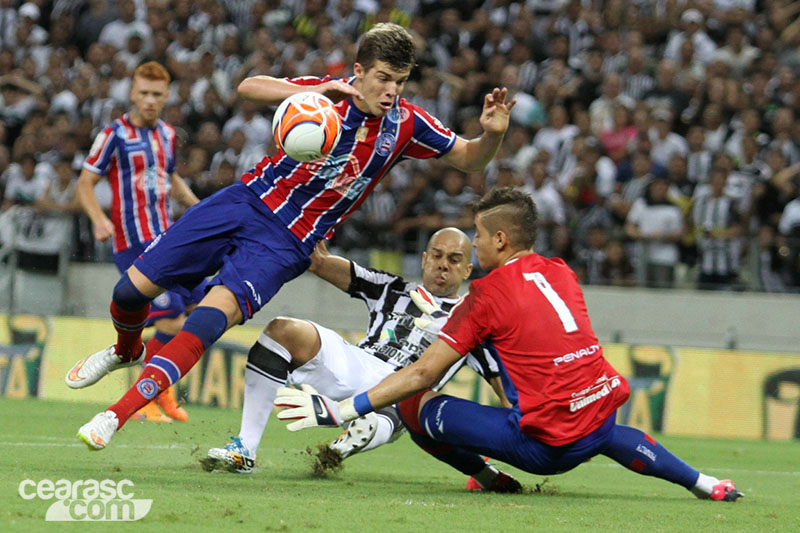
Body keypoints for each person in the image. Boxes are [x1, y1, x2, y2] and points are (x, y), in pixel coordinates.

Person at [67, 23, 516, 450]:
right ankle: (127, 350)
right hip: (244, 200)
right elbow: (249, 87)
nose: (391, 90)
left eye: (399, 81)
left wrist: (492, 136)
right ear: (358, 72)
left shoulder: (405, 124)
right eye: (382, 78)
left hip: (287, 242)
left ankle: (115, 415)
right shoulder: (325, 97)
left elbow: (470, 158)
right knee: (129, 293)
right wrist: (312, 90)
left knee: (206, 320)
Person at [274, 187, 744, 502]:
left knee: (416, 402)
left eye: (476, 237)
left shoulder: (485, 295)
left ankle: (487, 476)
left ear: (500, 238)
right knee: (599, 432)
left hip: (547, 449)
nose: (474, 247)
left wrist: (339, 411)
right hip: (602, 415)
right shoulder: (561, 271)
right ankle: (706, 484)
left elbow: (421, 374)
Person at [205, 229, 511, 487]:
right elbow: (319, 262)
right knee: (281, 330)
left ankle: (364, 428)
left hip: (403, 387)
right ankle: (245, 447)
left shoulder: (472, 319)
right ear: (424, 259)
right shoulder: (392, 288)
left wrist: (515, 434)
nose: (443, 265)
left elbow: (504, 390)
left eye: (454, 259)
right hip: (357, 362)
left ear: (468, 270)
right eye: (437, 255)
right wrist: (311, 223)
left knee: (401, 406)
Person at [72, 61, 202, 423]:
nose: (149, 100)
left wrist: (202, 210)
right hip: (133, 244)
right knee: (173, 322)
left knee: (197, 309)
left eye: (157, 94)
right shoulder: (113, 134)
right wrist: (99, 220)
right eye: (143, 93)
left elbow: (171, 178)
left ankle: (151, 385)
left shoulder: (168, 135)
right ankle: (148, 397)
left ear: (167, 96)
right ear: (131, 92)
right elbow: (85, 182)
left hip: (169, 240)